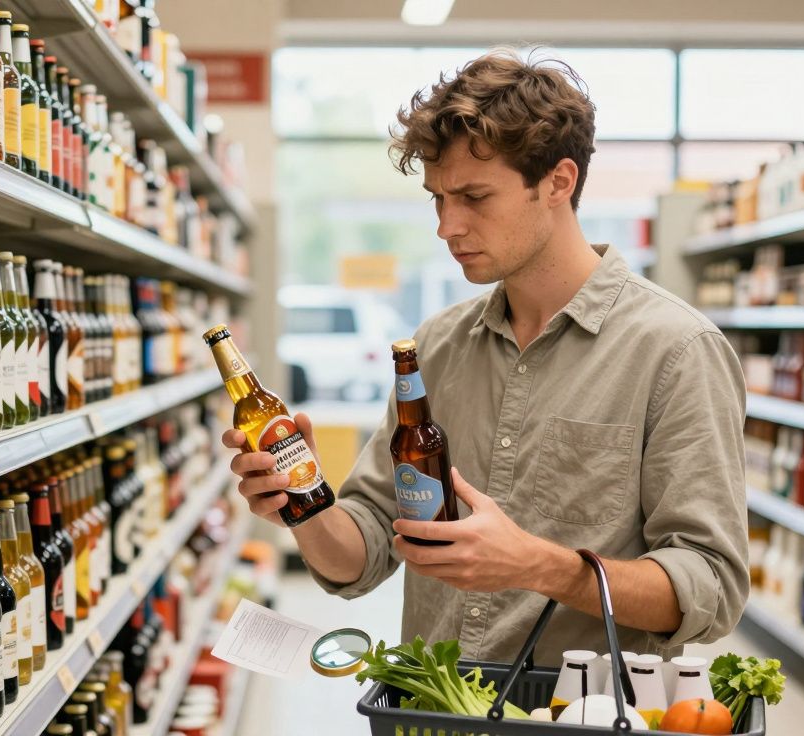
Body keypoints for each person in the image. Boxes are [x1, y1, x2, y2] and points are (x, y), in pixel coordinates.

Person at [222, 49, 748, 665]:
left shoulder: (676, 352)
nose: (447, 226)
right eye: (438, 199)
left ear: (558, 182)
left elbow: (709, 586)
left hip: (576, 716)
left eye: (474, 197)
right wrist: (302, 499)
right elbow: (360, 553)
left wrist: (541, 566)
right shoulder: (435, 348)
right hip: (431, 715)